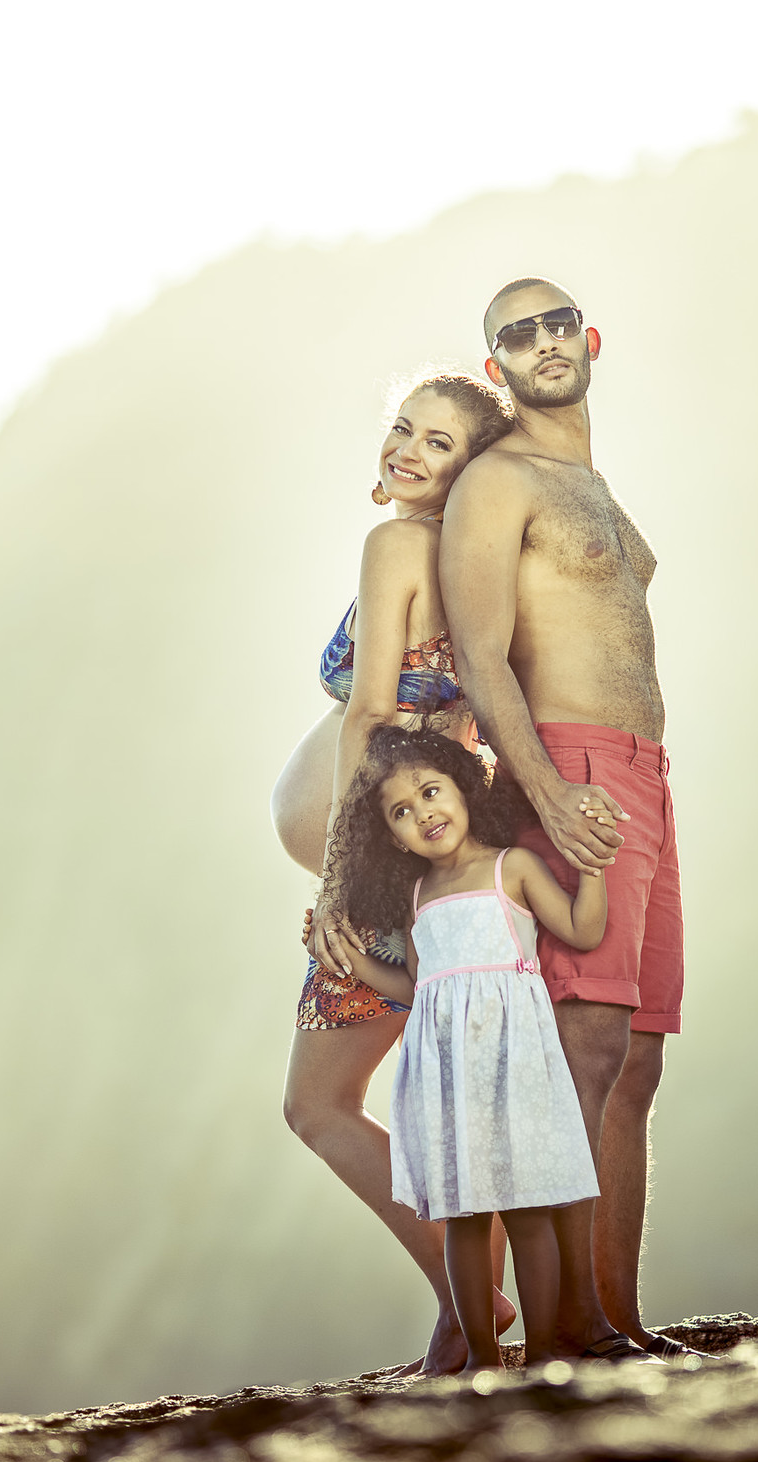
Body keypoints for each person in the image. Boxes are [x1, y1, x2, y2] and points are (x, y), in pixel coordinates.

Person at [439, 278, 692, 1362]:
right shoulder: (497, 481)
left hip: (646, 774)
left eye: (556, 323)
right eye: (515, 333)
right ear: (496, 366)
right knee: (580, 1049)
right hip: (572, 768)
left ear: (588, 340)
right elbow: (481, 651)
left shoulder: (587, 481)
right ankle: (559, 1330)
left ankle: (616, 1320)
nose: (542, 341)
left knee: (635, 1057)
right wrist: (544, 790)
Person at [270, 373, 515, 1375]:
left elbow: (369, 716)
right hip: (432, 861)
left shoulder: (396, 547)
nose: (409, 451)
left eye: (439, 443)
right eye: (403, 430)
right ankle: (466, 1318)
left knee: (318, 1106)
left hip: (375, 874)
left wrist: (335, 880)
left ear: (469, 470)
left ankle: (477, 1310)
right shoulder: (478, 570)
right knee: (443, 1102)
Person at [326, 727, 607, 1370]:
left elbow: (583, 931)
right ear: (391, 836)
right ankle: (483, 1358)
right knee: (463, 1216)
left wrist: (592, 869)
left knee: (529, 1209)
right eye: (401, 811)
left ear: (464, 789)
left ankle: (541, 1354)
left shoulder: (514, 867)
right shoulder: (418, 897)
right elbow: (416, 984)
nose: (422, 812)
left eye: (431, 792)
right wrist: (353, 962)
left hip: (515, 1065)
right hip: (444, 1074)